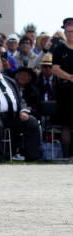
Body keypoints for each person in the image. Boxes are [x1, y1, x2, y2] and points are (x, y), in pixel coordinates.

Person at [51, 17, 73, 158]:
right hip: (65, 90)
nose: (71, 34)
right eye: (68, 31)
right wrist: (70, 77)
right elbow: (55, 69)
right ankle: (66, 157)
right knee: (66, 124)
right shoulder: (59, 48)